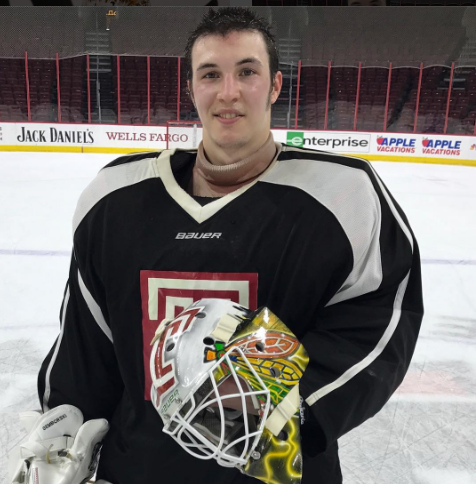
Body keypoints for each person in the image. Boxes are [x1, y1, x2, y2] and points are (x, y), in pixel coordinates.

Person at [26, 7, 422, 484]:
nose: (228, 92)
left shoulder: (344, 192)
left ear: (275, 85)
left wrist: (281, 411)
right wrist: (64, 426)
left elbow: (378, 322)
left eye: (247, 72)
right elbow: (86, 339)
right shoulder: (115, 197)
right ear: (191, 88)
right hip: (138, 469)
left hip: (276, 472)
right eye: (210, 74)